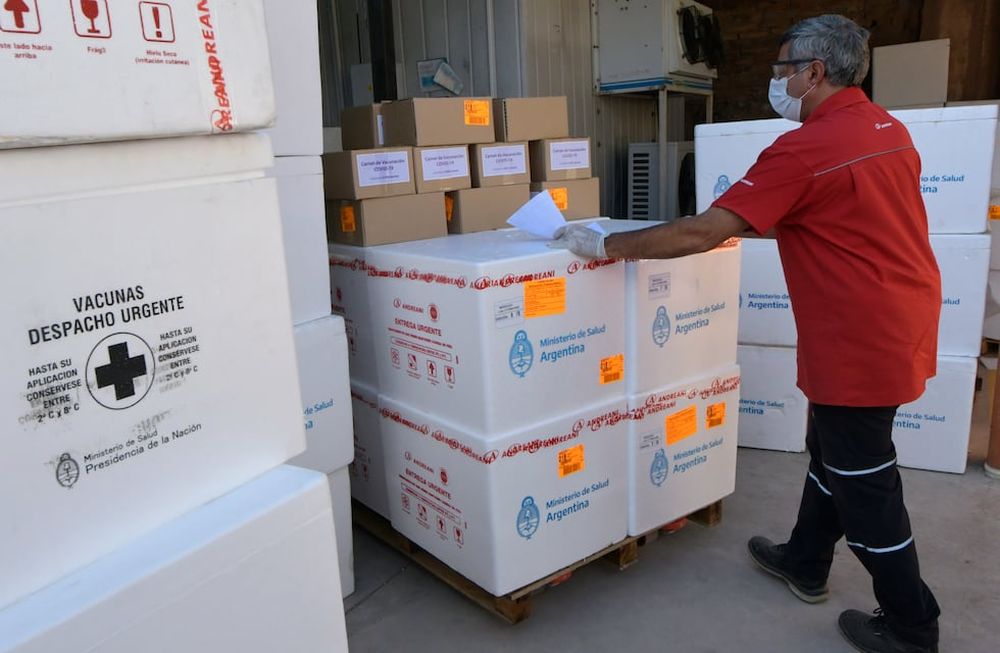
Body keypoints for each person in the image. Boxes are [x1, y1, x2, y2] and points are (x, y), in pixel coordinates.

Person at [552, 14, 942, 653]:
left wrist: (607, 244)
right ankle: (806, 561)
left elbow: (705, 231)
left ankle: (911, 622)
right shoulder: (885, 127)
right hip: (899, 317)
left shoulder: (806, 147)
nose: (776, 80)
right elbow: (827, 210)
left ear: (814, 72)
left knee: (867, 483)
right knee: (832, 451)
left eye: (782, 68)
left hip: (859, 340)